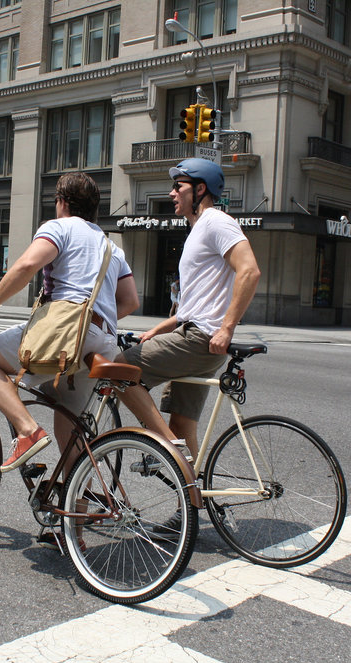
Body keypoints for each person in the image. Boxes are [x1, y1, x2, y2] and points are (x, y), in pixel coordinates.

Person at [0, 172, 138, 473]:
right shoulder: (112, 248)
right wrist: (92, 322)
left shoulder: (59, 227)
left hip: (65, 334)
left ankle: (26, 430)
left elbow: (28, 265)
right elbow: (130, 301)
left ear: (62, 202)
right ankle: (78, 510)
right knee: (68, 428)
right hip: (103, 341)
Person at [116, 158, 261, 462]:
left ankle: (169, 449)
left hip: (201, 339)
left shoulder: (216, 222)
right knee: (182, 423)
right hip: (198, 337)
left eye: (178, 186)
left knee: (118, 372)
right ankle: (195, 502)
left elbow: (249, 271)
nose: (172, 193)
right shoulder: (198, 229)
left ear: (200, 189)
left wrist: (227, 328)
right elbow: (194, 308)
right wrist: (157, 330)